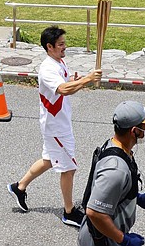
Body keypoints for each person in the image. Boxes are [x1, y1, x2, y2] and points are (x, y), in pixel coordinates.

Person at [7, 26, 102, 227]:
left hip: (57, 122)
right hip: (56, 126)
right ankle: (68, 212)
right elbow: (63, 89)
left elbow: (65, 87)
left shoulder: (59, 62)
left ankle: (19, 187)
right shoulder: (48, 68)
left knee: (48, 159)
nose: (64, 47)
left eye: (64, 43)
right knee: (69, 169)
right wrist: (86, 80)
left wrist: (75, 81)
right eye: (60, 44)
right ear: (49, 47)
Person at [78, 101, 145, 246]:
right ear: (134, 131)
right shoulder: (116, 170)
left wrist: (135, 197)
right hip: (102, 241)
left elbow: (110, 191)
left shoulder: (115, 145)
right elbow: (94, 212)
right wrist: (124, 240)